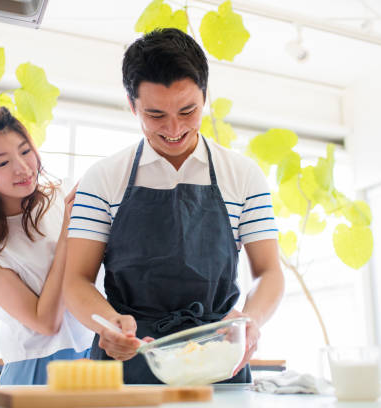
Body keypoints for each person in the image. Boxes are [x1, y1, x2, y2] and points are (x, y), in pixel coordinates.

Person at [63, 28, 285, 384]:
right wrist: (105, 323)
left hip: (218, 358)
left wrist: (249, 320)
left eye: (187, 110)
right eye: (155, 115)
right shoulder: (103, 178)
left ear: (205, 96)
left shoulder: (243, 176)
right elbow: (75, 280)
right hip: (131, 360)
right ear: (131, 104)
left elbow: (269, 272)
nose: (174, 129)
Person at [0, 107, 93, 385]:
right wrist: (68, 232)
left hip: (93, 355)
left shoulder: (62, 195)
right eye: (2, 163)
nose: (23, 168)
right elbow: (46, 323)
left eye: (25, 151)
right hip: (36, 367)